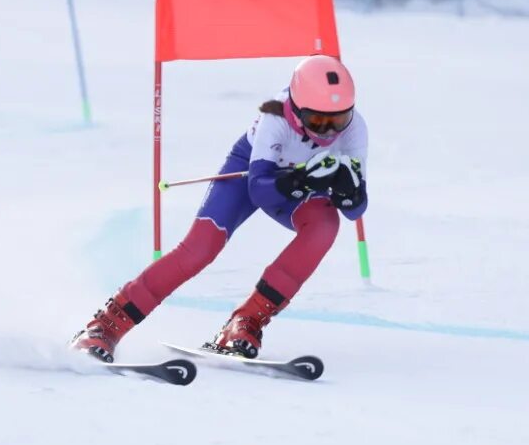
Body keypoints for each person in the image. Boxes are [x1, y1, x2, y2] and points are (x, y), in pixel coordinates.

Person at [72, 54, 368, 360]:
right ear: (295, 108)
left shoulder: (356, 129)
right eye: (317, 121)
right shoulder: (276, 117)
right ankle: (105, 325)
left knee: (324, 228)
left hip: (296, 183)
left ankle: (246, 322)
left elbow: (355, 212)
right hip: (250, 175)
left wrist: (351, 193)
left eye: (338, 121)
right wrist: (300, 181)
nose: (329, 133)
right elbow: (260, 191)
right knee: (200, 249)